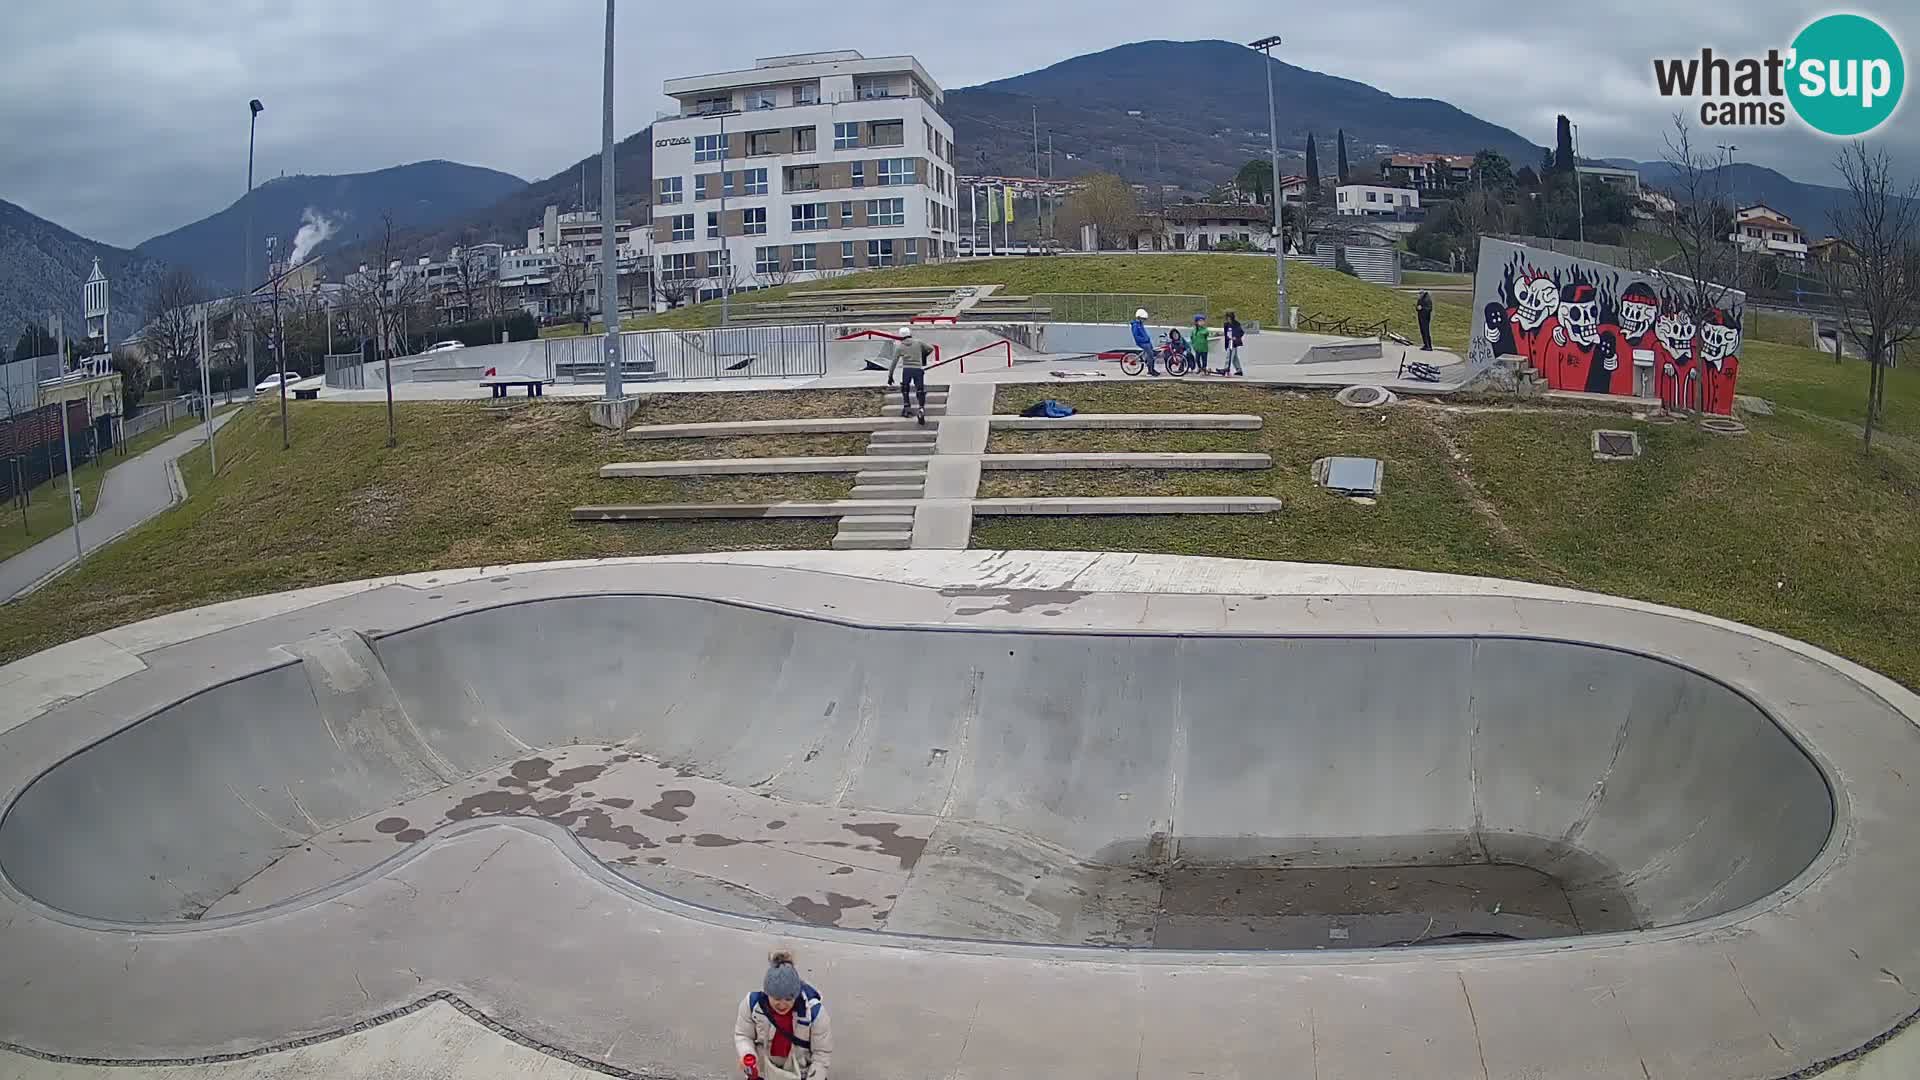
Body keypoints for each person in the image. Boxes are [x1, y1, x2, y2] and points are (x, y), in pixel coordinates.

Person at [735, 950, 832, 1080]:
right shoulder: (752, 1004)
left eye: (788, 999)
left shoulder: (815, 1013)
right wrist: (747, 1054)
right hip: (765, 1071)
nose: (782, 1004)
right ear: (767, 992)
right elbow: (743, 1035)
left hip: (801, 1073)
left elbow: (821, 1054)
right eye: (776, 998)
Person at [886, 326, 934, 424]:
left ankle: (907, 407)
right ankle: (921, 408)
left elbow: (894, 362)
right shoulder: (918, 343)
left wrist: (890, 376)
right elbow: (930, 348)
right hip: (918, 369)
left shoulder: (900, 347)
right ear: (910, 334)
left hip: (907, 370)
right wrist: (923, 356)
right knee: (920, 390)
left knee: (905, 388)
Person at [1128, 308, 1160, 375]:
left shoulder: (1140, 324)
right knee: (1150, 354)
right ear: (1139, 317)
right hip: (1141, 342)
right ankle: (1151, 370)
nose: (1144, 320)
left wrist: (1147, 339)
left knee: (1152, 353)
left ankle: (1150, 366)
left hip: (1146, 341)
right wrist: (1144, 340)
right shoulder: (1135, 325)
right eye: (1143, 319)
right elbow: (1136, 336)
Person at [1219, 311, 1244, 376]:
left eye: (1229, 317)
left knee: (1229, 355)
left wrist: (1236, 337)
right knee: (1235, 357)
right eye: (1227, 317)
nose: (1228, 319)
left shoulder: (1236, 324)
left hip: (1234, 342)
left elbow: (1241, 332)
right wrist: (1226, 345)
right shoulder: (1226, 324)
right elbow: (1226, 335)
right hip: (1229, 342)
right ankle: (1239, 370)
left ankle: (1226, 368)